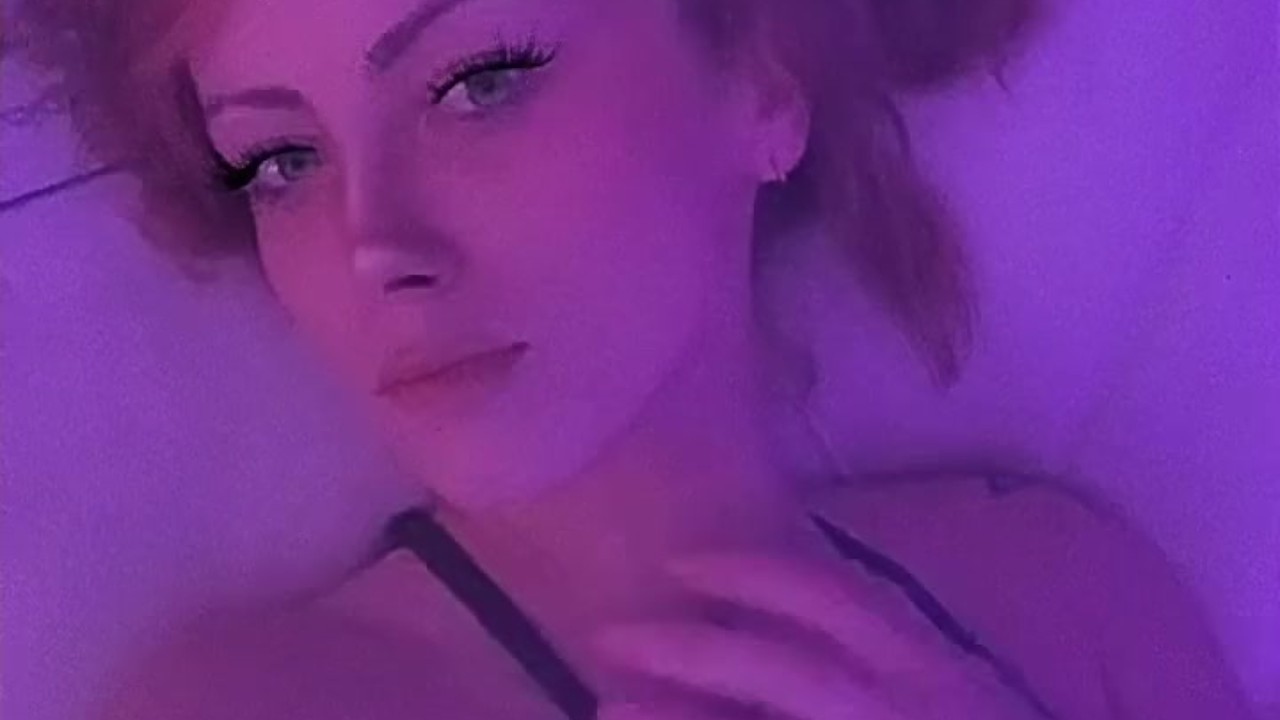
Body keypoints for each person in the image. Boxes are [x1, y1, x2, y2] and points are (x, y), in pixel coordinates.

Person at [4, 0, 1259, 718]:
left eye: (477, 83)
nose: (371, 244)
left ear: (760, 86)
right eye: (279, 161)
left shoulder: (1066, 596)